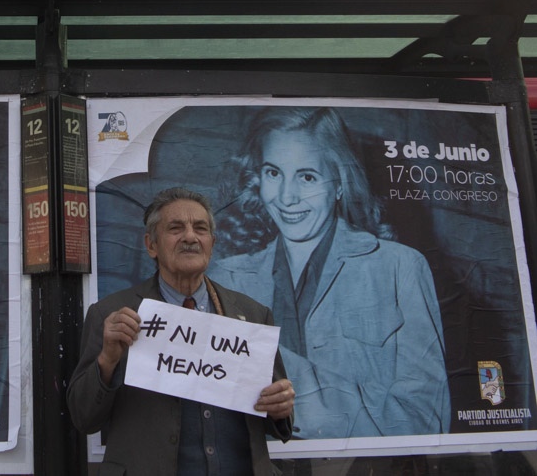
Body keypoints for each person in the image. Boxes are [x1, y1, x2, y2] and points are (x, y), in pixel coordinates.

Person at [207, 106, 450, 439]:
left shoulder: (399, 269)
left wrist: (277, 372)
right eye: (273, 173)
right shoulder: (223, 279)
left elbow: (426, 422)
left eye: (307, 177)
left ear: (339, 185)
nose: (286, 197)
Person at [68, 187, 294, 476]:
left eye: (200, 229)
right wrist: (107, 360)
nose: (190, 237)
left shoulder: (253, 316)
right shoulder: (112, 315)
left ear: (212, 243)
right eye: (176, 228)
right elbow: (83, 418)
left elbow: (278, 415)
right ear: (151, 245)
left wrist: (280, 406)